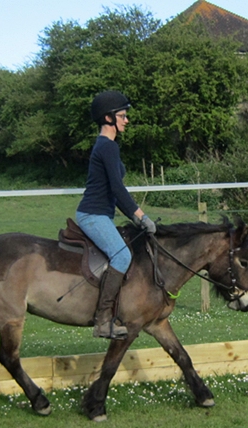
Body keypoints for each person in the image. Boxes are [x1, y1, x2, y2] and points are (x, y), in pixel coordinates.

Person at [76, 90, 156, 339]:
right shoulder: (107, 147)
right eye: (122, 116)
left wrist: (136, 217)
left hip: (101, 214)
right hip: (93, 215)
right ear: (108, 118)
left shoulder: (107, 146)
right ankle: (102, 321)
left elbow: (116, 192)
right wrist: (141, 216)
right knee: (122, 257)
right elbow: (118, 189)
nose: (126, 120)